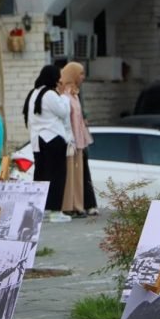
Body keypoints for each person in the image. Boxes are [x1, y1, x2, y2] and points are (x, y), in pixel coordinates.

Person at [23, 65, 73, 223]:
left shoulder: (33, 93)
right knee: (57, 175)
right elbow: (64, 112)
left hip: (38, 140)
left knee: (42, 176)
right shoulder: (50, 94)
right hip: (53, 138)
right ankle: (55, 211)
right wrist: (65, 96)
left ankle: (42, 209)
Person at [59, 62, 97, 218]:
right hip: (71, 141)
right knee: (71, 176)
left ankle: (79, 205)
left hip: (79, 141)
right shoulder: (64, 95)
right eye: (80, 74)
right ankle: (72, 206)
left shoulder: (75, 94)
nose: (83, 77)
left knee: (79, 176)